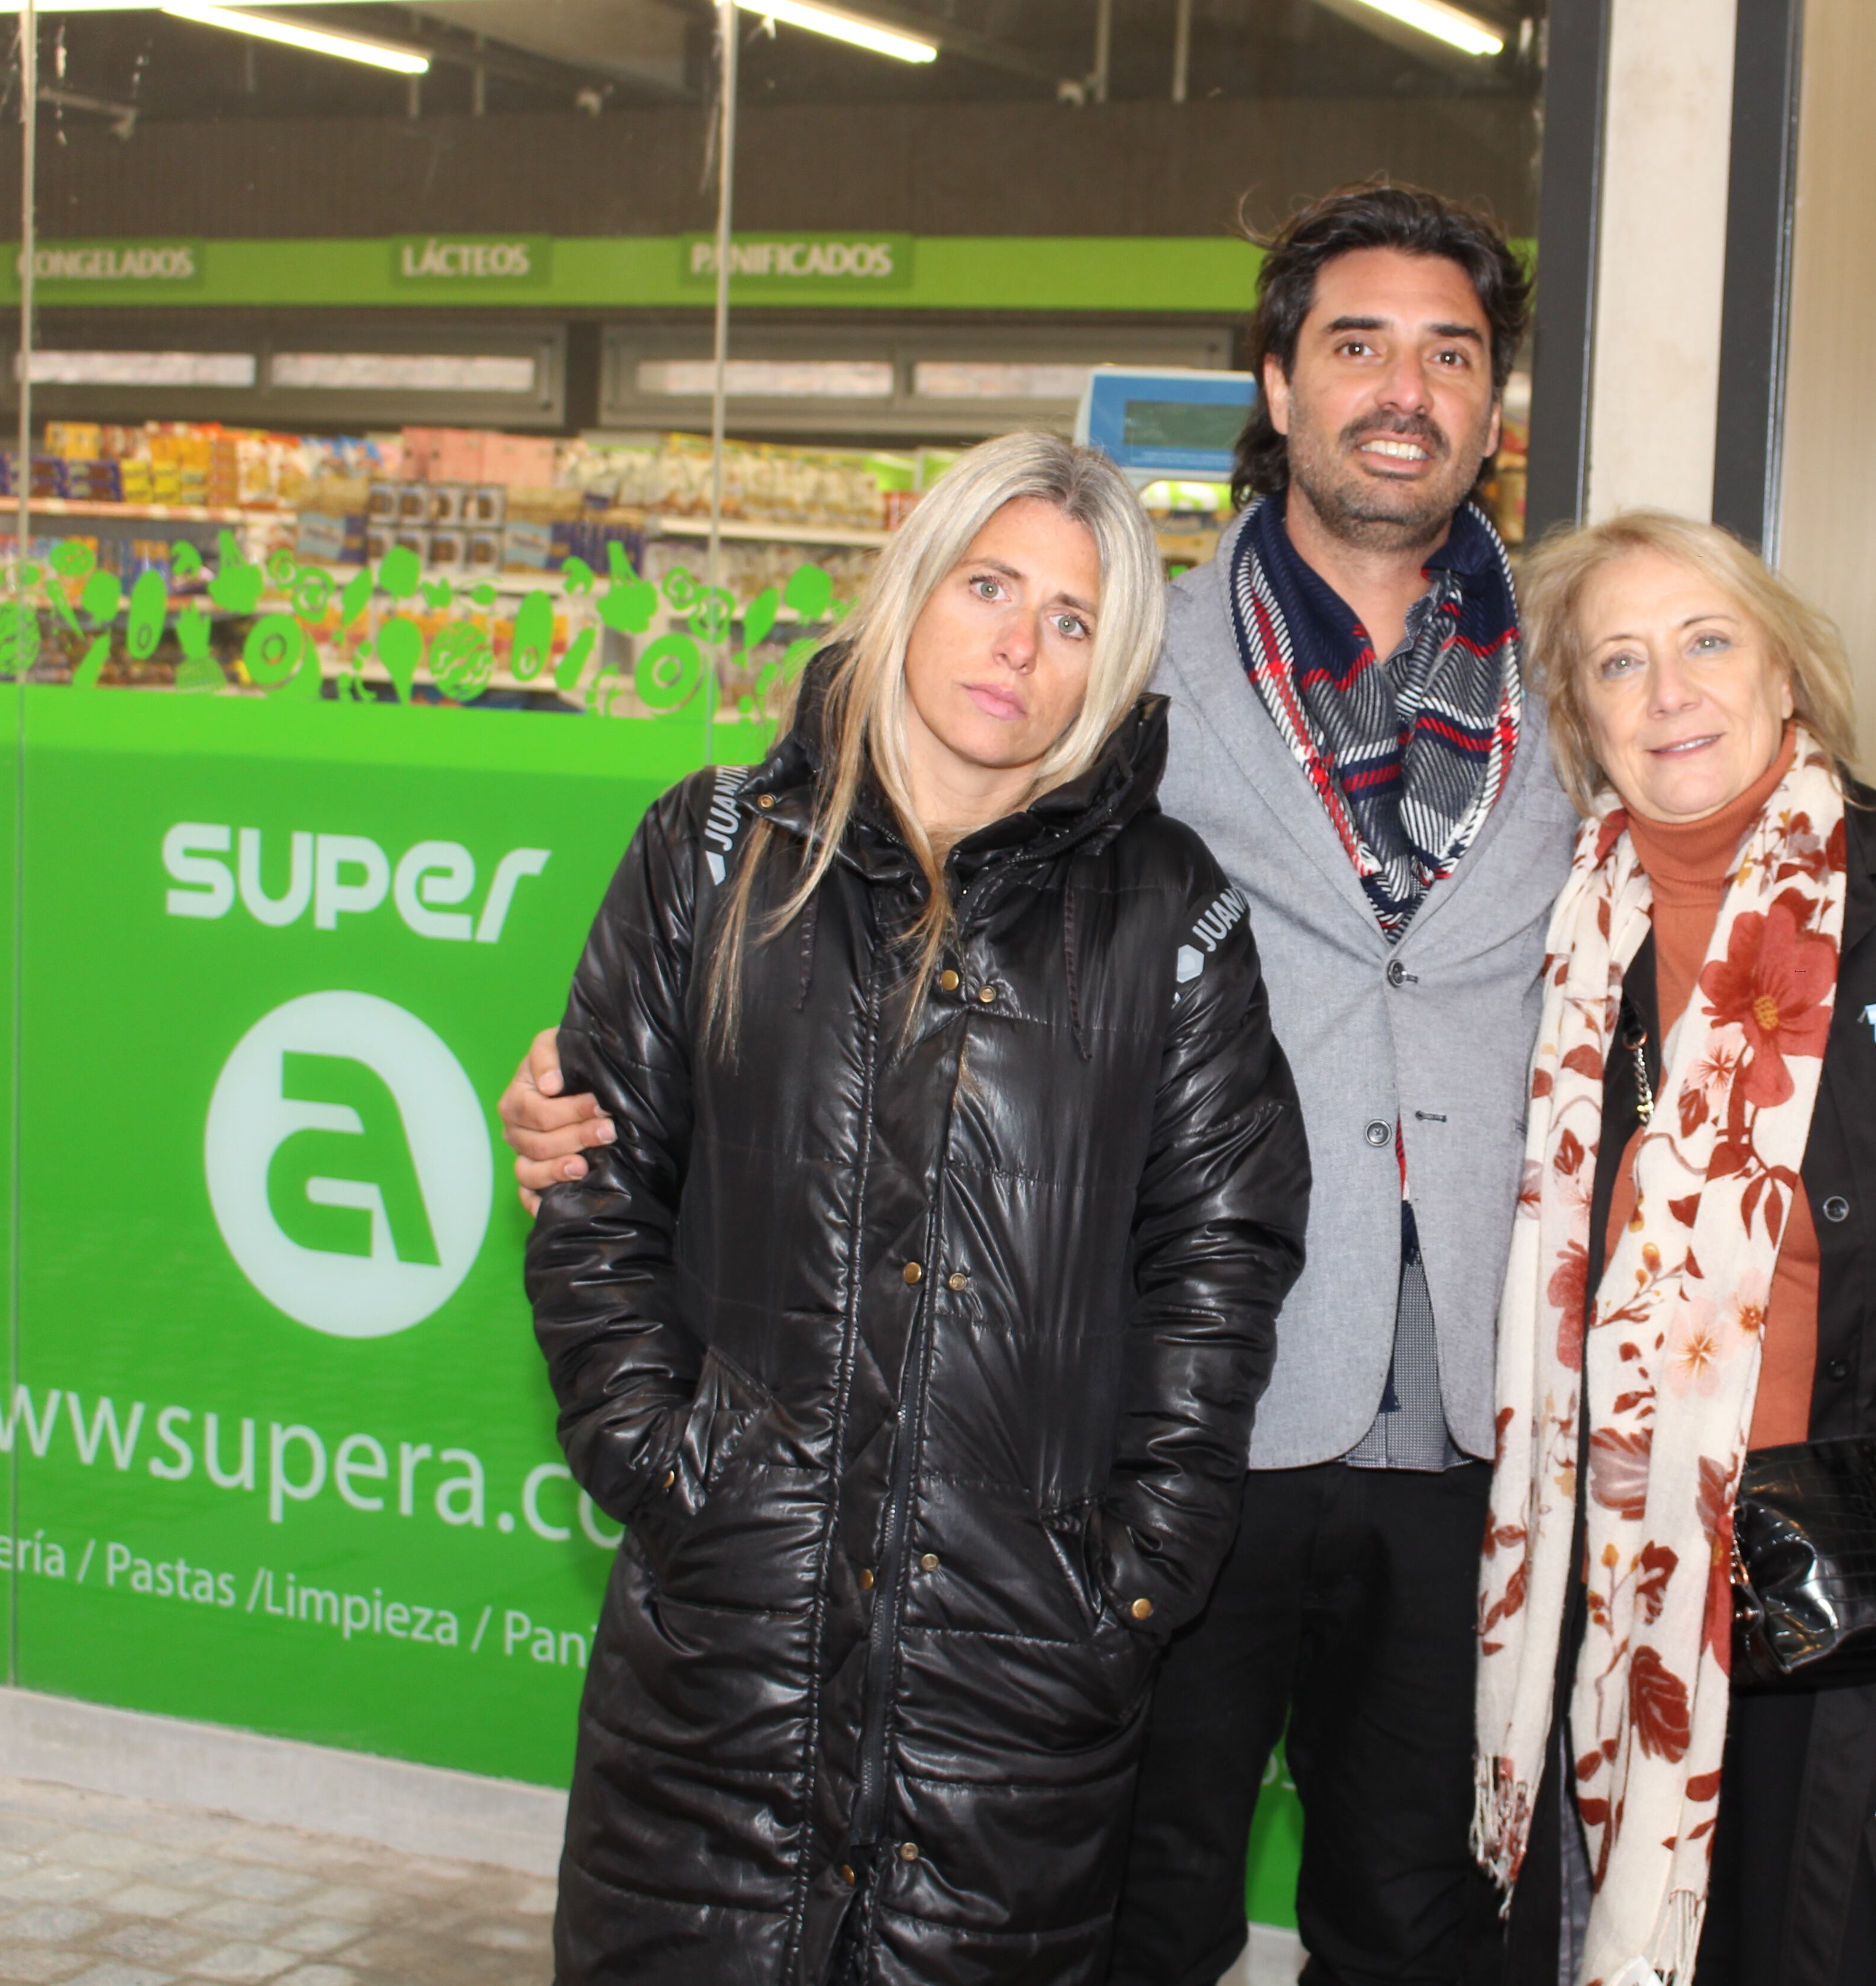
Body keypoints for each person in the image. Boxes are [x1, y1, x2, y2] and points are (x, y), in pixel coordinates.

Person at [510, 182, 1567, 1986]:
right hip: (1191, 1440)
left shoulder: (1580, 663)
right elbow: (891, 847)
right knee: (1133, 1914)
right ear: (1280, 378)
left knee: (1432, 1919)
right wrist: (598, 1156)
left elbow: (1747, 838)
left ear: (1493, 401)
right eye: (1360, 343)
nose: (1407, 386)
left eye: (1451, 353)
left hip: (1476, 1410)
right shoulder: (1141, 654)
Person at [524, 430, 1311, 1984]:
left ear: (1112, 664)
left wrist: (1135, 1569)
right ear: (911, 587)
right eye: (990, 584)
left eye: (1074, 618)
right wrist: (657, 1458)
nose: (1020, 642)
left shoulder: (1169, 915)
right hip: (724, 1650)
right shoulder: (712, 853)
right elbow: (594, 1185)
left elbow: (1220, 1256)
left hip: (1016, 1670)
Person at [1474, 512, 1876, 1986]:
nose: (1671, 692)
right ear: (1580, 717)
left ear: (1788, 673)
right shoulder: (1559, 936)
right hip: (1637, 1584)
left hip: (1874, 1594)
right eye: (1620, 662)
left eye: (1708, 640)